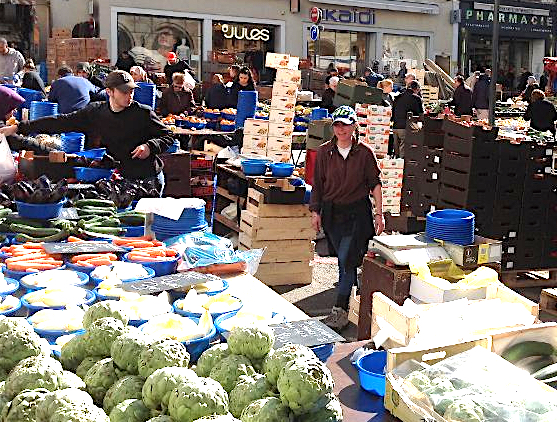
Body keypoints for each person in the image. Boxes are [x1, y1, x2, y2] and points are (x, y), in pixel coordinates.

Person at [0, 70, 174, 192]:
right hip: (122, 177)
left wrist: (150, 146)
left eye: (131, 91)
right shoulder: (96, 112)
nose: (130, 95)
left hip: (149, 177)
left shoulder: (142, 112)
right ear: (109, 92)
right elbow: (61, 121)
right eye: (124, 91)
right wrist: (19, 127)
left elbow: (168, 135)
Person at [309, 105, 384, 330]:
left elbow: (375, 184)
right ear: (333, 128)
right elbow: (318, 185)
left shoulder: (364, 153)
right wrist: (316, 212)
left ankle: (340, 310)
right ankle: (360, 293)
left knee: (345, 259)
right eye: (337, 125)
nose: (341, 129)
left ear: (354, 126)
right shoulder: (324, 152)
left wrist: (379, 214)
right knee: (348, 260)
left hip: (357, 214)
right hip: (333, 214)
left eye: (346, 124)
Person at [392, 80, 423, 158]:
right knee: (403, 152)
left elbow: (393, 112)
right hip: (406, 127)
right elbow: (421, 115)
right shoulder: (416, 98)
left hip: (395, 126)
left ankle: (395, 167)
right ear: (416, 89)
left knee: (397, 151)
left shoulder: (397, 97)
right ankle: (401, 167)